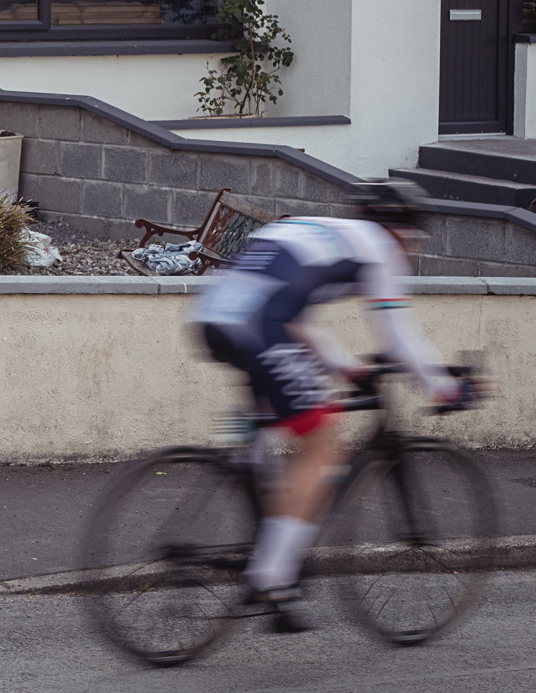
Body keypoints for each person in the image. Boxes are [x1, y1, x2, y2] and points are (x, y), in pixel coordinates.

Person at [190, 180, 474, 630]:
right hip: (261, 325)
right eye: (415, 237)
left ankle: (261, 520)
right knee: (324, 447)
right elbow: (397, 334)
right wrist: (445, 388)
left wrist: (346, 368)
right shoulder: (378, 248)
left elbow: (294, 312)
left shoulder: (321, 230)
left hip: (214, 317)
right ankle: (271, 577)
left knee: (277, 438)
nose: (413, 248)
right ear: (401, 232)